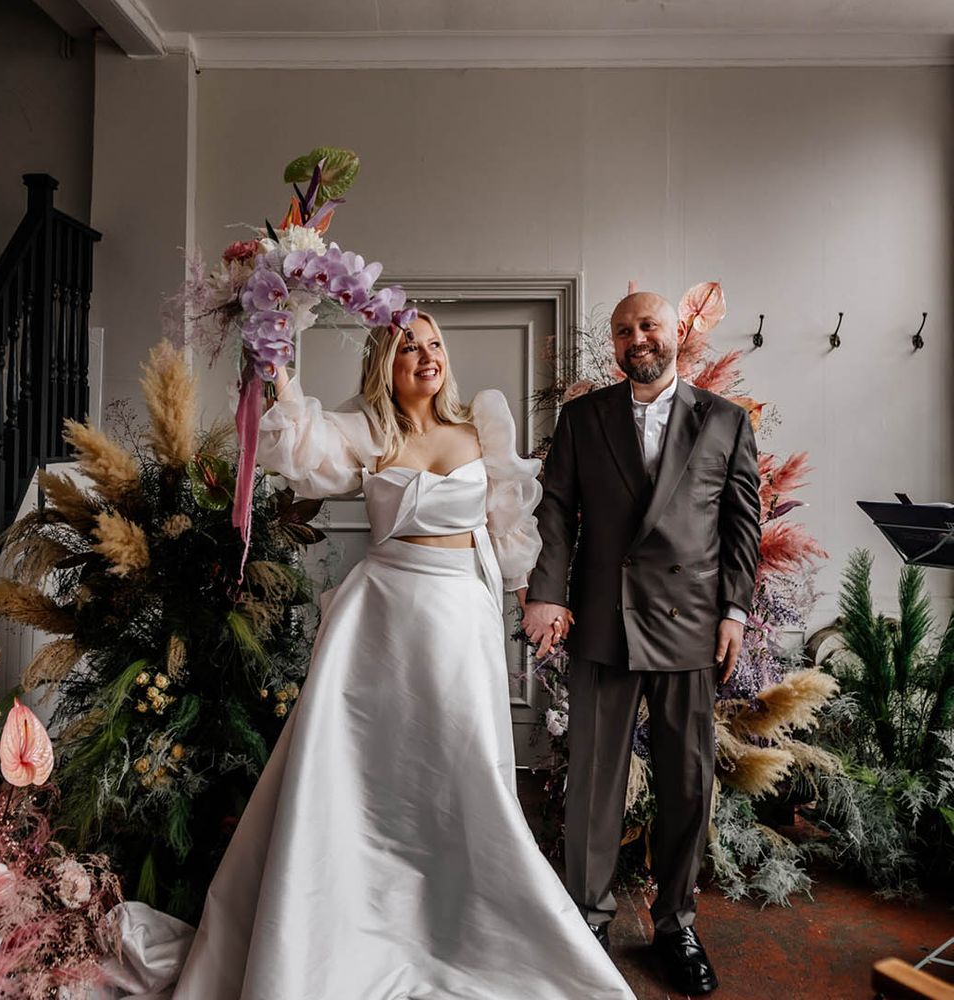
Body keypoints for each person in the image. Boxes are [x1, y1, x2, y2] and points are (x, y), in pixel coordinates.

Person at [168, 313, 638, 999]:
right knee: (361, 778)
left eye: (435, 343)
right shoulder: (366, 430)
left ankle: (468, 929)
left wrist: (540, 598)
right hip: (378, 621)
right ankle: (344, 931)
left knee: (461, 776)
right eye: (409, 345)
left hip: (459, 623)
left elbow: (513, 539)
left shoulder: (484, 428)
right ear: (385, 362)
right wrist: (277, 365)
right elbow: (297, 447)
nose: (427, 355)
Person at [522, 291, 761, 996]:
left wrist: (735, 613)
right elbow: (558, 508)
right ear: (616, 344)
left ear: (674, 333)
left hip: (693, 623)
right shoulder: (583, 419)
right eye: (624, 331)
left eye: (648, 325)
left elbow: (742, 524)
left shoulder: (724, 421)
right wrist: (549, 590)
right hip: (605, 617)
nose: (637, 339)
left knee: (687, 784)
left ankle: (674, 925)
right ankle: (588, 921)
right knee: (594, 783)